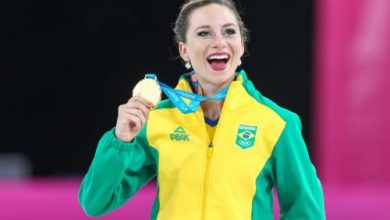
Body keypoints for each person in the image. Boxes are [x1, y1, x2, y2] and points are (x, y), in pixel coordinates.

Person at [78, 0, 326, 219]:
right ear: (183, 49)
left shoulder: (277, 123)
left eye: (229, 32)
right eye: (204, 33)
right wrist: (120, 141)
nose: (219, 42)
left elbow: (305, 212)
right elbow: (96, 203)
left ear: (241, 45)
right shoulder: (156, 121)